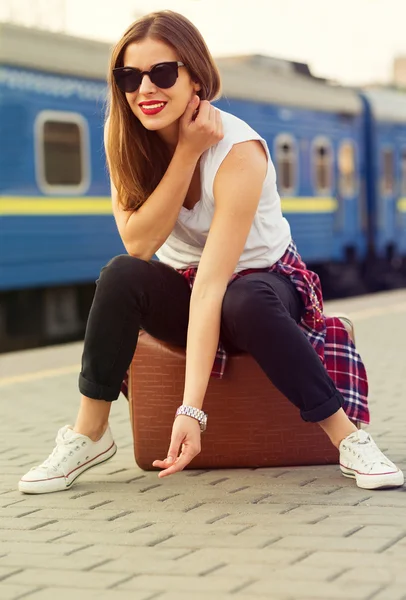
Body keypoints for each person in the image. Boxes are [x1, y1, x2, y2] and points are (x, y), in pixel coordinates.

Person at [19, 10, 403, 495]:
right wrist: (184, 154)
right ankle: (89, 433)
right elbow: (139, 244)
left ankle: (347, 438)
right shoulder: (124, 139)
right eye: (129, 77)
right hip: (188, 284)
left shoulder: (240, 151)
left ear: (195, 77)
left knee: (243, 299)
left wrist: (190, 411)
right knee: (121, 274)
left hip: (264, 284)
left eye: (161, 73)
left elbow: (214, 288)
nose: (145, 90)